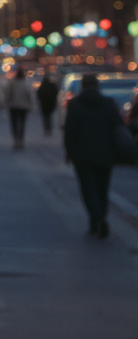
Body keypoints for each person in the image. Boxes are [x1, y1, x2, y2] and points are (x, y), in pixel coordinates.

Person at [64, 74, 122, 238]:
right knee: (102, 188)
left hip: (83, 155)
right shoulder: (109, 104)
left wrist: (69, 151)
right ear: (97, 86)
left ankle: (95, 218)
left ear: (83, 86)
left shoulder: (75, 105)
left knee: (88, 188)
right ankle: (101, 216)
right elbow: (118, 129)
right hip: (106, 154)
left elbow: (70, 132)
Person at [6, 69, 35, 149]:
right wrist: (32, 106)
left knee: (14, 124)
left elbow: (8, 94)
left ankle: (16, 139)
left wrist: (7, 102)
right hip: (23, 107)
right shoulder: (26, 84)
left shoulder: (12, 84)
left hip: (14, 106)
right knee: (22, 124)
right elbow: (30, 96)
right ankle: (21, 140)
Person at [37, 71, 60, 137]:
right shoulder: (52, 86)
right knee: (49, 116)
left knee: (45, 117)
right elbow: (56, 93)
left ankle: (46, 128)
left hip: (43, 104)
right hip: (51, 104)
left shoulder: (42, 87)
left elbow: (38, 95)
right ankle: (49, 128)